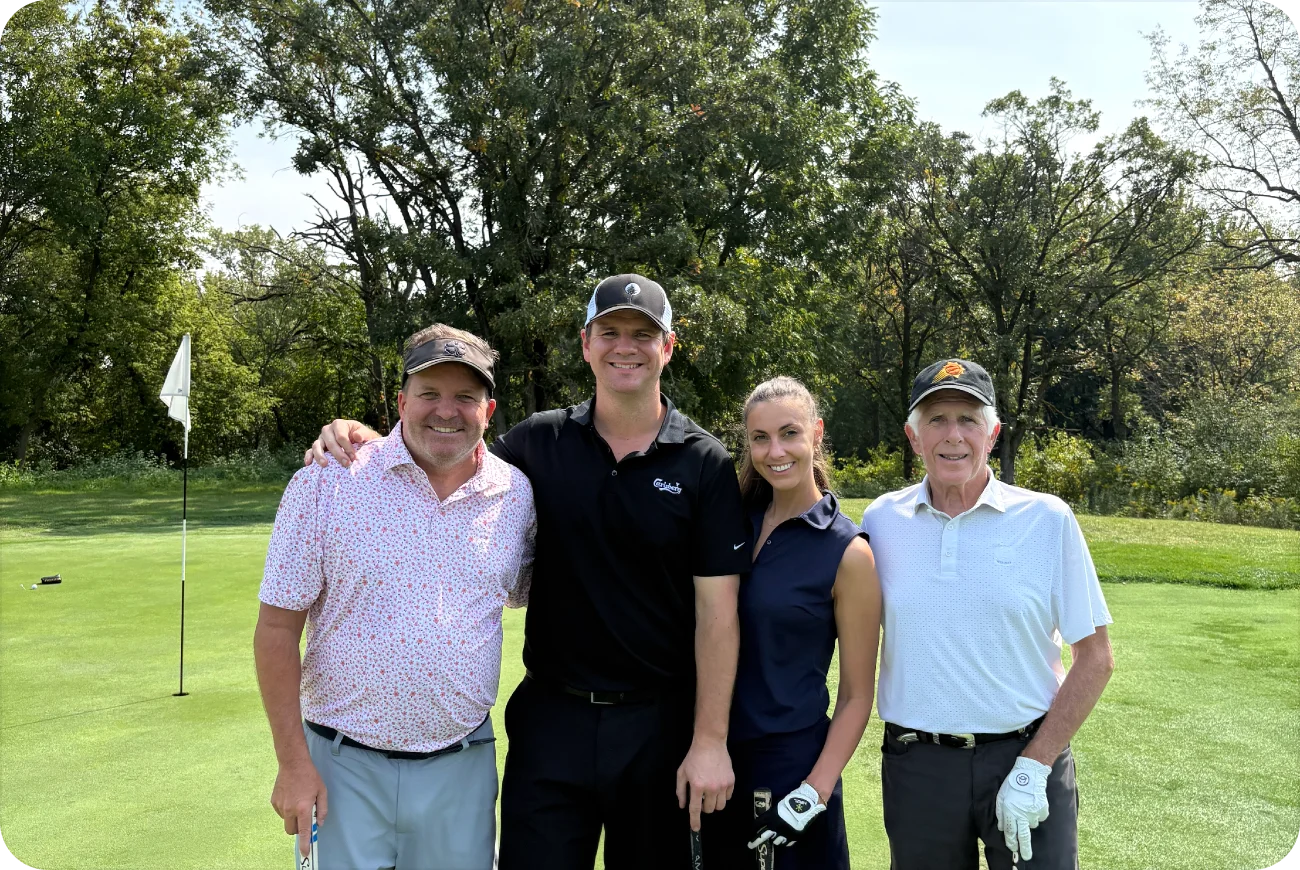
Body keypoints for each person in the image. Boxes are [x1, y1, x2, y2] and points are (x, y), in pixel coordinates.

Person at [306, 274, 751, 869]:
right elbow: (447, 445)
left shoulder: (704, 463)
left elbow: (717, 620)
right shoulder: (539, 441)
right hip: (552, 721)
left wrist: (710, 741)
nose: (626, 346)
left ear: (667, 347)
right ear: (586, 343)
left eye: (644, 334)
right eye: (611, 331)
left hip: (657, 725)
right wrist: (354, 434)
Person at [255, 324, 536, 870]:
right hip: (341, 766)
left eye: (465, 397)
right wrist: (292, 765)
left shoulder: (516, 494)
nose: (446, 411)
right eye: (429, 394)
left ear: (490, 409)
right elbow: (276, 629)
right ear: (401, 401)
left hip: (462, 765)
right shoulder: (329, 479)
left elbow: (525, 591)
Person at [861, 358, 1115, 870]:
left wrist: (1036, 763)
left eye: (968, 420)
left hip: (1025, 757)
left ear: (992, 433)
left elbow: (1096, 658)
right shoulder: (881, 520)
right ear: (913, 438)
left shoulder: (1046, 518)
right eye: (936, 419)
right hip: (919, 768)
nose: (952, 435)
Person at [705, 376, 881, 869]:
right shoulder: (729, 521)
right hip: (710, 760)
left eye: (789, 433)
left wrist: (814, 791)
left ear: (817, 434)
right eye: (760, 438)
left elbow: (855, 696)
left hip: (790, 770)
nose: (774, 450)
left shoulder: (848, 552)